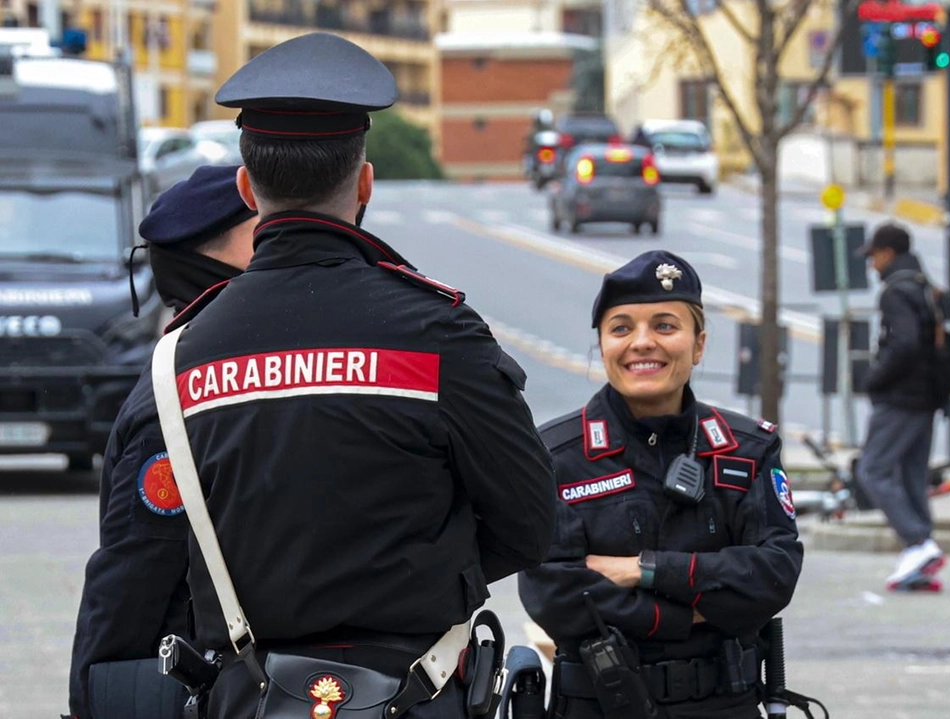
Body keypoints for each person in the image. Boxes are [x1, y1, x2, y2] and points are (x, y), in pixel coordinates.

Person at [165, 33, 556, 718]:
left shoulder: (185, 350)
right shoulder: (441, 334)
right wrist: (419, 568)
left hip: (249, 696)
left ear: (247, 187)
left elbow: (154, 548)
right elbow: (531, 523)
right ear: (365, 183)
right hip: (420, 689)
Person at [518, 250, 804, 719]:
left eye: (665, 326)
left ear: (699, 345)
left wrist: (642, 569)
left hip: (725, 704)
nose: (642, 342)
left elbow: (772, 576)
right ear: (603, 344)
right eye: (622, 328)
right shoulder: (555, 456)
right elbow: (554, 596)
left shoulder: (747, 449)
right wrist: (687, 614)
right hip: (599, 704)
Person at [67, 165, 256, 719]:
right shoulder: (176, 402)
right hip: (209, 682)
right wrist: (91, 696)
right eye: (265, 232)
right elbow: (133, 574)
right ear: (216, 257)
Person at [857, 223, 946, 591]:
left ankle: (918, 543)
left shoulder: (896, 292)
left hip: (901, 397)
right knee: (911, 473)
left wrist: (874, 378)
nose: (872, 265)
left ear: (888, 253)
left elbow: (905, 344)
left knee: (873, 470)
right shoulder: (925, 286)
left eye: (874, 257)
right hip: (927, 396)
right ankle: (921, 554)